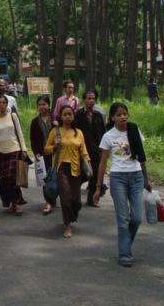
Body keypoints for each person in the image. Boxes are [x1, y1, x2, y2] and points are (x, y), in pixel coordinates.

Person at [94, 102, 152, 267]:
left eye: (125, 114)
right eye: (119, 115)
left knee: (137, 217)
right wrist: (98, 187)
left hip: (136, 177)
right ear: (112, 118)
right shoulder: (108, 136)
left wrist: (146, 179)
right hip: (118, 177)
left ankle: (125, 244)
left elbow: (142, 157)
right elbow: (103, 163)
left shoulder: (134, 130)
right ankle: (125, 253)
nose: (123, 117)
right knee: (123, 218)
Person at [45, 105, 90, 238]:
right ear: (61, 116)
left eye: (70, 114)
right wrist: (54, 147)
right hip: (61, 168)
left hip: (76, 169)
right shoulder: (55, 131)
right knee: (65, 198)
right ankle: (67, 225)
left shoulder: (79, 133)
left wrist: (89, 164)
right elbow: (46, 148)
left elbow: (84, 151)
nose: (67, 116)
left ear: (73, 116)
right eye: (65, 114)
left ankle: (71, 216)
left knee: (76, 201)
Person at [0, 95, 28, 215]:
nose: (1, 104)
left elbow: (19, 132)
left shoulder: (12, 116)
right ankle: (11, 202)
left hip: (14, 149)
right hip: (0, 152)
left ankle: (18, 203)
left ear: (7, 105)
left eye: (4, 102)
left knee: (13, 178)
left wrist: (24, 148)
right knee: (4, 179)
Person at [75, 90, 107, 206]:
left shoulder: (98, 115)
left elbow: (103, 133)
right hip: (82, 150)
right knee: (81, 174)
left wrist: (103, 149)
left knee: (95, 175)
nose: (91, 101)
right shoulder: (78, 115)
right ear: (84, 100)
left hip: (96, 150)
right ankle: (73, 195)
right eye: (89, 98)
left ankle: (91, 199)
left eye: (93, 98)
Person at [30, 95, 56, 214]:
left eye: (44, 104)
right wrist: (36, 153)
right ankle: (48, 201)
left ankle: (53, 197)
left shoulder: (55, 119)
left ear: (49, 105)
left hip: (55, 153)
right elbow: (33, 139)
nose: (42, 106)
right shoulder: (35, 122)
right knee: (45, 178)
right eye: (39, 104)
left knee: (55, 177)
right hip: (42, 153)